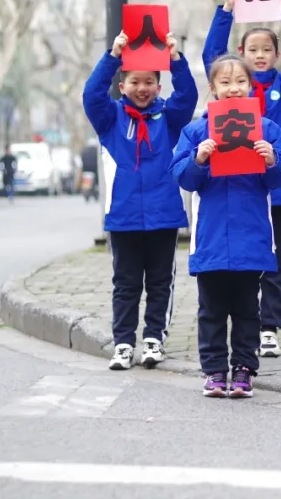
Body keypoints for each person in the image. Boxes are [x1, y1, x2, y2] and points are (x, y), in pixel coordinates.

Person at [171, 55, 281, 398]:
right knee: (210, 309)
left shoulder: (267, 129)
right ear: (212, 89)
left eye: (240, 81)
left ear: (250, 86)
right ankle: (214, 371)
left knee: (246, 309)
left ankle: (243, 369)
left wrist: (271, 159)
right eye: (224, 83)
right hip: (211, 237)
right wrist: (199, 158)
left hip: (251, 234)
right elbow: (182, 177)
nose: (233, 88)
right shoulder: (196, 131)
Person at [202, 0, 281, 359]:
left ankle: (269, 327)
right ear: (241, 52)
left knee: (275, 259)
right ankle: (238, 327)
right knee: (241, 262)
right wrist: (227, 9)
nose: (260, 55)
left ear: (276, 54)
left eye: (267, 49)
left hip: (275, 188)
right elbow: (212, 57)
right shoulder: (230, 87)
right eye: (253, 49)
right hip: (237, 186)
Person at [82, 29, 198, 371]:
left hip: (164, 216)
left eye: (149, 82)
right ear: (122, 86)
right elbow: (91, 95)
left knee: (162, 282)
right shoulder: (109, 118)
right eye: (134, 82)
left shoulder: (170, 119)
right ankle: (122, 342)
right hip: (124, 217)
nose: (142, 88)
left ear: (158, 87)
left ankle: (153, 339)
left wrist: (176, 59)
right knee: (126, 283)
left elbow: (188, 96)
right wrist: (113, 56)